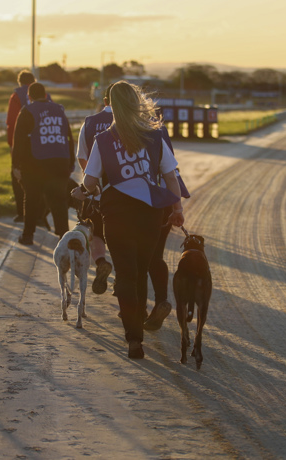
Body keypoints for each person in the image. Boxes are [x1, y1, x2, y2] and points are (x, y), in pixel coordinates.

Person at [82, 81, 185, 359]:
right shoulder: (154, 136)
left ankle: (133, 339)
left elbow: (90, 181)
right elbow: (170, 176)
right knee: (140, 272)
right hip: (150, 212)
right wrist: (177, 209)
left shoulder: (103, 140)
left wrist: (80, 190)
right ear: (137, 103)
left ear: (112, 105)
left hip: (117, 213)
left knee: (126, 275)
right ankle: (138, 325)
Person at [12, 82, 75, 245]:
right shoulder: (60, 111)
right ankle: (64, 237)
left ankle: (27, 236)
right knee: (59, 201)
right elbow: (68, 137)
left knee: (31, 199)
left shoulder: (27, 111)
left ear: (29, 96)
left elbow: (18, 140)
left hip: (35, 164)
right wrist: (71, 162)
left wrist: (16, 165)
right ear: (46, 95)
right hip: (60, 161)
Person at [143, 127, 190, 331]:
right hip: (162, 200)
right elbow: (171, 174)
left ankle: (135, 309)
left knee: (135, 259)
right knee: (155, 256)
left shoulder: (120, 129)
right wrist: (176, 207)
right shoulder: (158, 132)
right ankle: (160, 300)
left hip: (137, 201)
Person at [73, 84, 115, 295]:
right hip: (126, 191)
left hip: (96, 190)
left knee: (97, 232)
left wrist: (91, 183)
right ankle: (125, 281)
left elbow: (82, 156)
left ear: (105, 100)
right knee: (122, 234)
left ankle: (100, 262)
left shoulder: (90, 123)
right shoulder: (131, 122)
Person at [7, 70, 36, 222]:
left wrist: (11, 145)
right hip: (39, 144)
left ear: (19, 82)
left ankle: (21, 212)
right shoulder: (42, 94)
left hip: (21, 144)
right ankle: (38, 213)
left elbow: (11, 122)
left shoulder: (16, 96)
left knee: (18, 177)